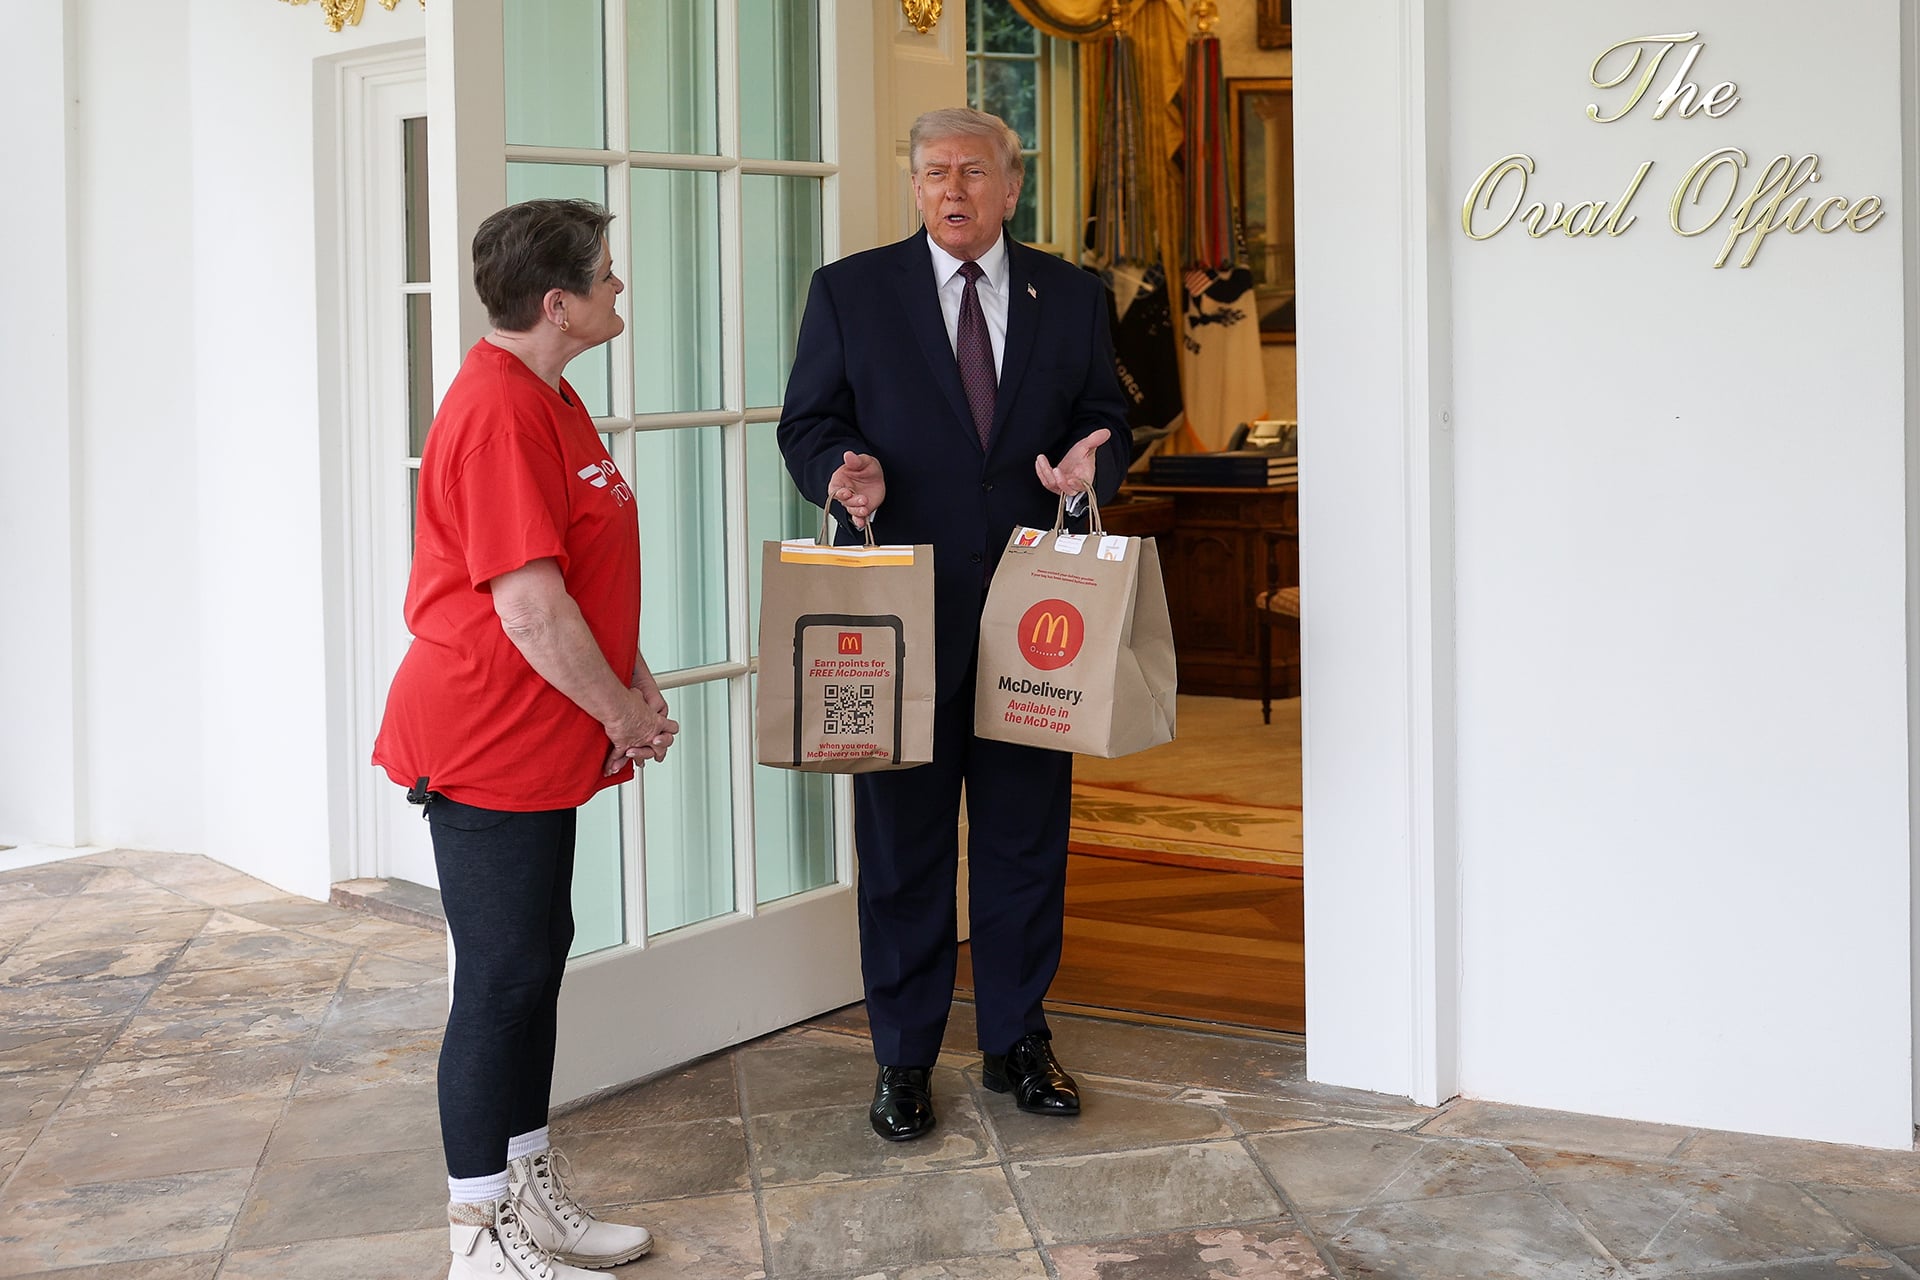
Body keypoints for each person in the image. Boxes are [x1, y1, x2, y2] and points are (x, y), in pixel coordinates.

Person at [777, 107, 1131, 1142]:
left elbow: (1107, 412)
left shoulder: (1070, 294)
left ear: (1011, 188)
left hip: (1035, 619)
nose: (952, 188)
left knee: (1026, 838)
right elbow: (808, 421)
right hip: (898, 617)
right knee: (903, 848)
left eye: (973, 171)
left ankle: (1019, 1038)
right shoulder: (850, 291)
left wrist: (1086, 471)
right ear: (916, 186)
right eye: (934, 172)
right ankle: (903, 1056)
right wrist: (841, 472)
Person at [374, 198, 676, 1280]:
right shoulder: (499, 409)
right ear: (558, 304)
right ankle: (476, 1234)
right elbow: (530, 606)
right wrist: (621, 712)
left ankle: (525, 1187)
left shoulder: (554, 394)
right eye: (606, 273)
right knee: (501, 976)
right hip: (487, 730)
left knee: (536, 957)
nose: (618, 286)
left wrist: (630, 678)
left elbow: (584, 566)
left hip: (541, 725)